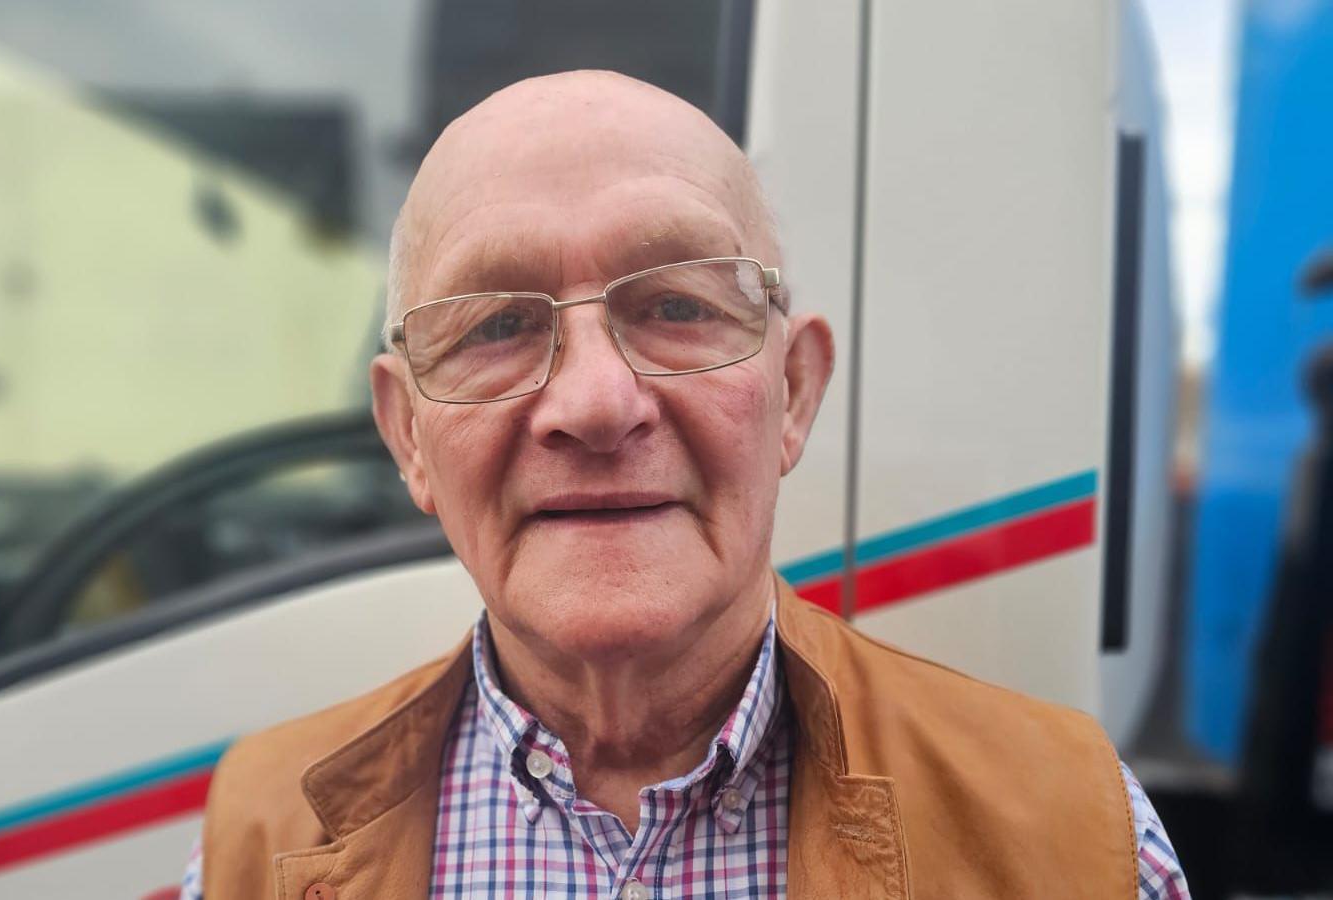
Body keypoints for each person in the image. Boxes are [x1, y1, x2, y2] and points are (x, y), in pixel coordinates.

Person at [181, 70, 1189, 899]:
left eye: (675, 304)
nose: (594, 401)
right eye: (497, 326)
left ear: (792, 390)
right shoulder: (255, 844)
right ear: (408, 435)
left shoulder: (1076, 839)